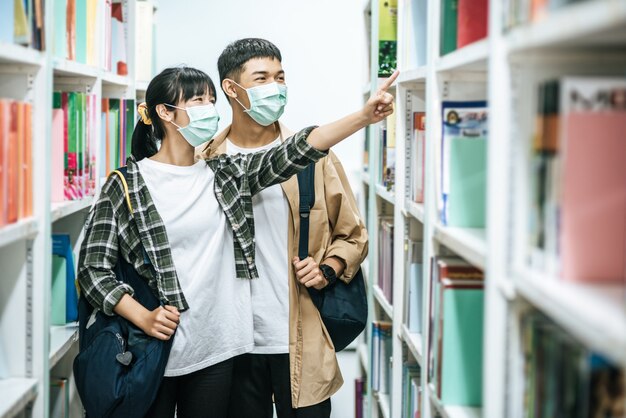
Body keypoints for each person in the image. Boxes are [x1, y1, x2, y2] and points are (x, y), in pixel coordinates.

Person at [78, 64, 398, 418]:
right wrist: (143, 316)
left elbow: (296, 151)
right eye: (197, 100)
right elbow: (93, 268)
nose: (208, 110)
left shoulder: (225, 175)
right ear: (165, 113)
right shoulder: (127, 183)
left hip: (219, 350)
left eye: (211, 101)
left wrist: (363, 117)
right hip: (154, 350)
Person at [197, 38, 367, 417]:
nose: (276, 87)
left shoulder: (314, 156)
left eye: (280, 77)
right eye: (262, 78)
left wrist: (327, 269)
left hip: (300, 338)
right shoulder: (204, 159)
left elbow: (352, 234)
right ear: (231, 88)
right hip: (231, 343)